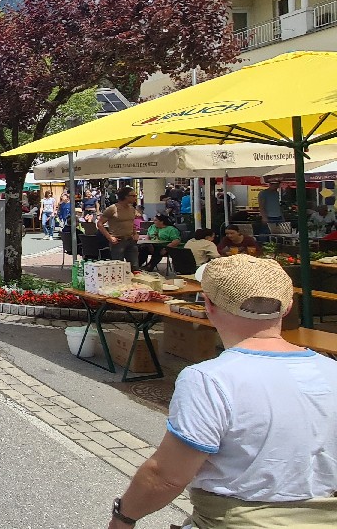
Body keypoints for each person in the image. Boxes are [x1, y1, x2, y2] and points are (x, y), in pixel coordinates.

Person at [108, 254, 337, 528]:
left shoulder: (209, 379)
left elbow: (167, 477)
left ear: (208, 305)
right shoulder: (331, 370)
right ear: (287, 307)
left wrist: (123, 517)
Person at [97, 186, 141, 272]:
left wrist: (135, 233)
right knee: (118, 268)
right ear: (125, 196)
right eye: (133, 196)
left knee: (134, 266)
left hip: (131, 239)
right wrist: (109, 237)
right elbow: (100, 224)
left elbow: (131, 223)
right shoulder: (112, 209)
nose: (135, 198)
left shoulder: (132, 209)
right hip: (118, 240)